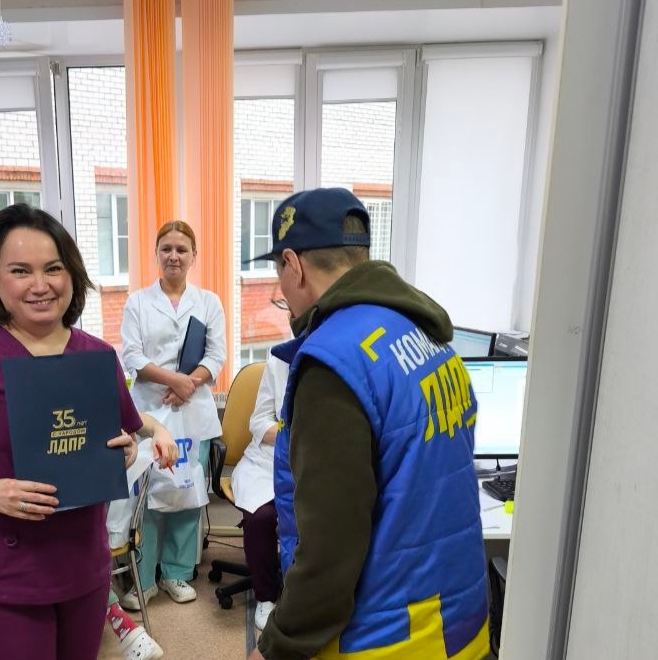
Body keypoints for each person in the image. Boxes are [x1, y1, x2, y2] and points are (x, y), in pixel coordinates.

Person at [0, 203, 178, 660]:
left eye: (53, 268)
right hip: (4, 567)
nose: (40, 285)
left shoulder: (97, 356)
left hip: (83, 562)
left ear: (71, 275)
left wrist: (125, 451)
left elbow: (126, 435)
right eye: (20, 271)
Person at [249, 188, 489, 660]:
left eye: (278, 272)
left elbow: (329, 551)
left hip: (385, 638)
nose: (282, 291)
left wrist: (278, 646)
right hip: (458, 620)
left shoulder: (333, 364)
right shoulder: (428, 338)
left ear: (294, 266)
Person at [119, 220, 226, 609]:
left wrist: (188, 385)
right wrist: (175, 381)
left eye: (182, 249)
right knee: (146, 498)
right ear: (156, 254)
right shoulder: (138, 302)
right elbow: (132, 356)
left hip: (193, 413)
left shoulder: (209, 301)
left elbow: (216, 355)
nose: (174, 256)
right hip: (150, 412)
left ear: (194, 255)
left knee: (187, 493)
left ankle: (176, 573)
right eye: (166, 248)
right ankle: (144, 579)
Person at [230, 353, 288, 632]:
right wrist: (291, 434)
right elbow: (259, 420)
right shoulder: (280, 361)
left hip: (316, 461)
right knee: (261, 517)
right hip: (267, 460)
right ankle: (265, 596)